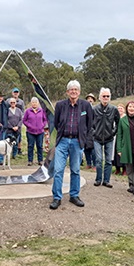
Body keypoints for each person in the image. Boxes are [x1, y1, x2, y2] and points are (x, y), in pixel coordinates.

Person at [50, 80, 93, 210]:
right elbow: (56, 123)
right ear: (67, 92)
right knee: (58, 170)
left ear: (79, 92)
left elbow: (90, 124)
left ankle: (74, 195)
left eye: (76, 89)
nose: (73, 91)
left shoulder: (86, 106)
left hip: (77, 142)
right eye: (71, 89)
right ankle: (57, 198)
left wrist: (83, 140)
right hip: (63, 141)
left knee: (75, 170)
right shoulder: (60, 105)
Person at [92, 88, 120, 188]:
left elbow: (118, 122)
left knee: (108, 160)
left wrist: (113, 132)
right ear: (100, 97)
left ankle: (106, 180)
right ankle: (98, 179)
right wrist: (93, 132)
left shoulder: (114, 109)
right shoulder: (94, 109)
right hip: (97, 138)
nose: (106, 98)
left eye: (108, 96)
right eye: (104, 96)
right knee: (99, 160)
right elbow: (89, 122)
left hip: (109, 138)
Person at [117, 101, 134, 199]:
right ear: (127, 109)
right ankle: (132, 185)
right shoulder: (123, 120)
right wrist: (119, 149)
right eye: (129, 107)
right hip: (127, 148)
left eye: (133, 107)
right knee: (129, 168)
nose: (131, 108)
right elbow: (119, 135)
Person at [23, 97, 48, 166]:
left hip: (40, 132)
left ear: (38, 103)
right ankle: (30, 160)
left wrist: (42, 125)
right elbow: (24, 120)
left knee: (39, 146)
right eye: (33, 102)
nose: (34, 104)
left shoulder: (42, 111)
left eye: (36, 102)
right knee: (30, 146)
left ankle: (40, 160)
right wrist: (29, 125)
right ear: (31, 103)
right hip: (30, 132)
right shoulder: (28, 111)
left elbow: (45, 120)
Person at [8, 87, 25, 155]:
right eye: (14, 92)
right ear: (12, 93)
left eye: (17, 92)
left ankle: (17, 151)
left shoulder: (21, 102)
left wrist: (18, 126)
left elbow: (22, 114)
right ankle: (9, 152)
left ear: (18, 93)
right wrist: (11, 126)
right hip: (10, 127)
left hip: (18, 126)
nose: (15, 93)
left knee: (18, 139)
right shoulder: (8, 101)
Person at [84, 93, 97, 170]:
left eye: (91, 98)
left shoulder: (95, 109)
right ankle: (88, 163)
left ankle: (95, 164)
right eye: (88, 98)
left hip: (93, 130)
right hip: (85, 131)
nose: (90, 99)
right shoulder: (83, 109)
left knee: (93, 149)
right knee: (86, 148)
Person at [113, 103, 126, 176]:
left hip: (124, 138)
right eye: (118, 108)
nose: (120, 110)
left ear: (124, 110)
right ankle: (117, 168)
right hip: (116, 137)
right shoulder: (115, 117)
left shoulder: (126, 118)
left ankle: (124, 169)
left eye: (121, 108)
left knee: (123, 154)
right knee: (116, 153)